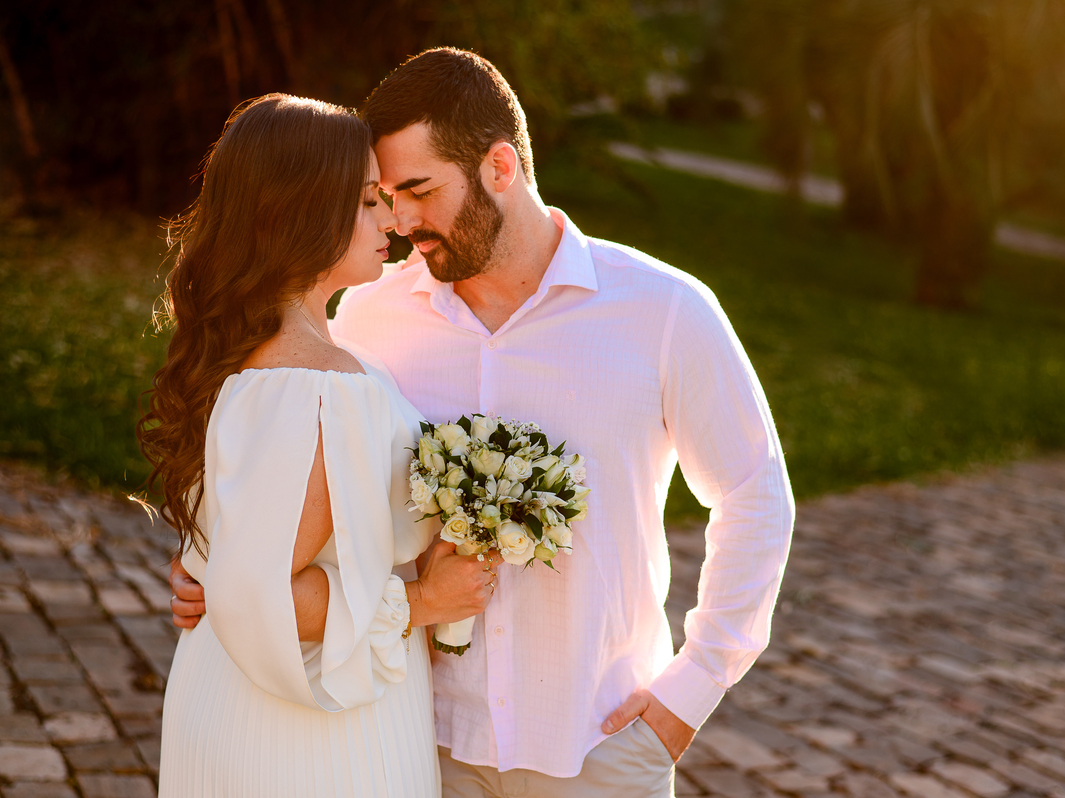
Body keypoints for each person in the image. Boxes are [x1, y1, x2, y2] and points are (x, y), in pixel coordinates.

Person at [173, 50, 794, 797]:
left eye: (418, 190)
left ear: (500, 168)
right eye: (385, 196)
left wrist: (685, 698)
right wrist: (219, 559)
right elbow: (294, 445)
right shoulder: (366, 313)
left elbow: (756, 496)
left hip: (595, 745)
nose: (400, 221)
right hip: (418, 740)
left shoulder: (664, 312)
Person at [142, 93, 498, 798]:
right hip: (307, 728)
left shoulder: (249, 352)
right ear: (303, 212)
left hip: (237, 693)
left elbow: (243, 554)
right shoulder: (318, 383)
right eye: (369, 201)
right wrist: (426, 602)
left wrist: (209, 572)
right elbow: (269, 591)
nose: (392, 219)